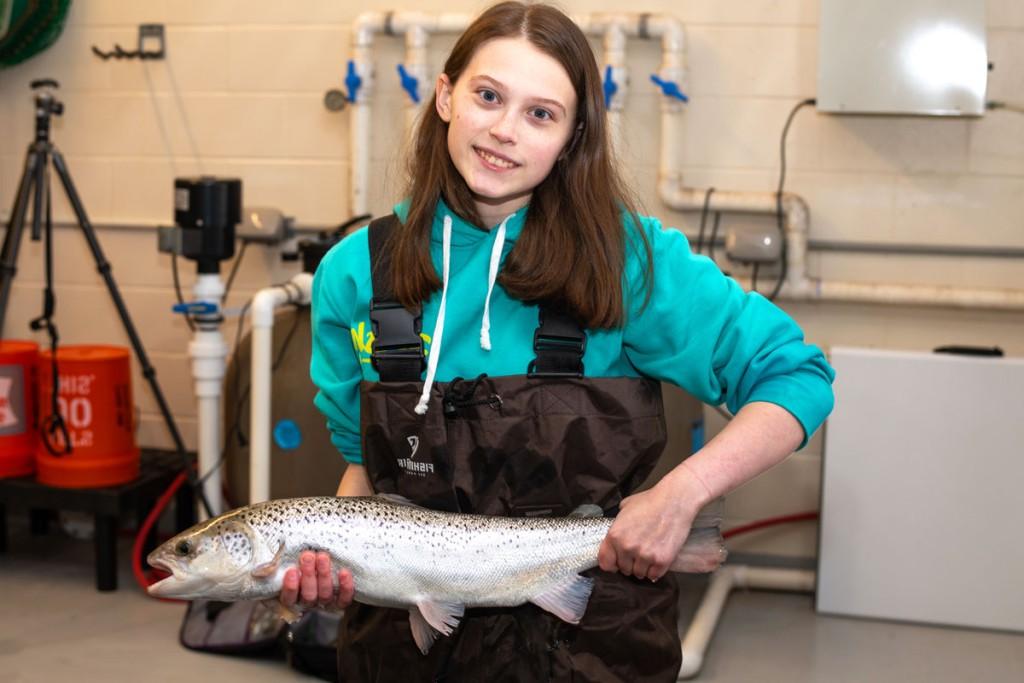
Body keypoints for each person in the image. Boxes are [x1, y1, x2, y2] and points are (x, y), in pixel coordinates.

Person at [281, 2, 834, 680]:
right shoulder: (354, 272)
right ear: (447, 96)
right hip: (408, 646)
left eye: (541, 113)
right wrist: (334, 561)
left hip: (591, 644)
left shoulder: (627, 261)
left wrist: (682, 493)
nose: (504, 131)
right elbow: (365, 473)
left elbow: (797, 375)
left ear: (572, 136)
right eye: (488, 96)